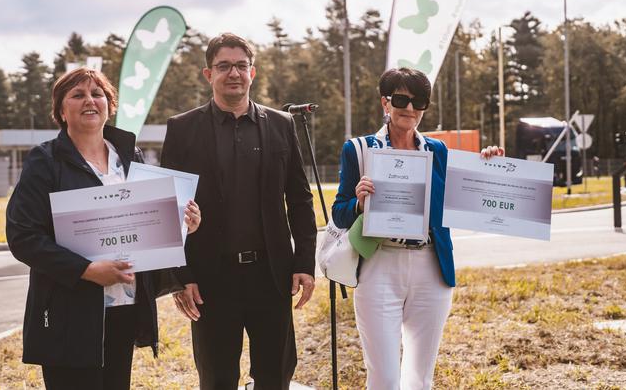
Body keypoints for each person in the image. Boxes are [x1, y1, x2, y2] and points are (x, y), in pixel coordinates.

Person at [6, 68, 200, 390]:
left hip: (123, 308)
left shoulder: (128, 156)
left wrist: (182, 225)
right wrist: (86, 269)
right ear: (61, 110)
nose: (89, 101)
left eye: (97, 94)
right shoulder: (45, 161)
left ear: (109, 104)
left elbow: (146, 227)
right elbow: (22, 236)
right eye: (78, 95)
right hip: (69, 313)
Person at [160, 32, 317, 389]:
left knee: (275, 377)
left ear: (253, 73)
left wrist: (304, 263)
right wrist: (180, 276)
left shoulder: (281, 125)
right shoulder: (182, 129)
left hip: (271, 277)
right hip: (211, 281)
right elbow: (168, 209)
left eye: (241, 66)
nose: (234, 73)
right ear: (208, 74)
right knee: (217, 380)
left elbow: (299, 198)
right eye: (224, 66)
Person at [332, 67, 503, 389]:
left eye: (419, 101)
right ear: (385, 102)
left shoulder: (437, 151)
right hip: (379, 266)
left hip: (430, 268)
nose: (409, 109)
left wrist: (487, 164)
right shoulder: (358, 149)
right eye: (400, 99)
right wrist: (357, 202)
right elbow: (339, 215)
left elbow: (466, 191)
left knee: (420, 375)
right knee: (383, 376)